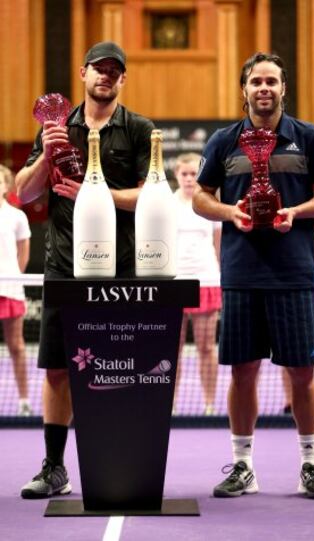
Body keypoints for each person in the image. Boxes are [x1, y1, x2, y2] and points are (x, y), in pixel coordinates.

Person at [193, 52, 314, 499]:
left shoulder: (309, 137)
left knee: (302, 373)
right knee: (242, 373)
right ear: (244, 89)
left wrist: (296, 212)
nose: (264, 88)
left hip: (294, 273)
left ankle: (311, 466)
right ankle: (243, 466)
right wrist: (228, 212)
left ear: (283, 89)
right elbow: (201, 197)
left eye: (272, 82)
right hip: (240, 273)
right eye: (256, 81)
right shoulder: (223, 141)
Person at [16, 41, 155, 499]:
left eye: (115, 71)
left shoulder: (138, 128)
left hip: (120, 271)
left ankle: (120, 463)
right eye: (99, 69)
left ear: (123, 79)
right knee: (58, 370)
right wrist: (46, 155)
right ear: (83, 73)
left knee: (118, 369)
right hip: (62, 266)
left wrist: (95, 195)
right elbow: (24, 192)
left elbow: (150, 195)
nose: (106, 77)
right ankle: (55, 467)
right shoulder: (57, 127)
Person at [172, 153, 221, 416]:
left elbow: (218, 245)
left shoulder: (209, 204)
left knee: (205, 347)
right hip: (176, 283)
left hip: (206, 280)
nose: (190, 179)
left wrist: (218, 275)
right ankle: (171, 403)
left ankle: (210, 404)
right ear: (177, 176)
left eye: (194, 174)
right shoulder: (167, 204)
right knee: (172, 349)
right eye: (185, 174)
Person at [0, 164, 32, 416]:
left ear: (6, 186)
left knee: (17, 346)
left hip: (10, 288)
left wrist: (13, 278)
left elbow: (23, 254)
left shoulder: (17, 216)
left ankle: (23, 401)